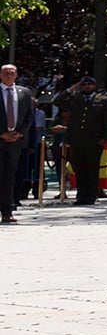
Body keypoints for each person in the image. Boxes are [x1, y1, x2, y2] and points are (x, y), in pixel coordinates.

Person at [55, 77, 107, 205]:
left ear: (94, 85)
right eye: (84, 84)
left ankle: (91, 196)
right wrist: (72, 88)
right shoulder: (75, 98)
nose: (87, 86)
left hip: (94, 140)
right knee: (79, 168)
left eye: (89, 84)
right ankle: (81, 196)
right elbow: (57, 101)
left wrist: (104, 138)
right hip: (77, 140)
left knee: (92, 169)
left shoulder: (102, 100)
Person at [0, 64, 32, 222]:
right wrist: (2, 134)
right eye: (5, 73)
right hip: (0, 138)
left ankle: (7, 212)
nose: (8, 75)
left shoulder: (24, 93)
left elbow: (29, 116)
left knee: (9, 177)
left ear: (16, 75)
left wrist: (20, 133)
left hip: (16, 142)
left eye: (11, 73)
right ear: (0, 75)